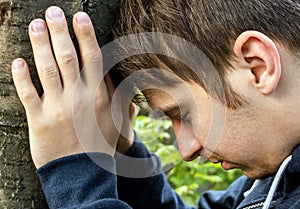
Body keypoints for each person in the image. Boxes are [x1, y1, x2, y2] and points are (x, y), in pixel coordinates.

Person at [11, 0, 300, 208]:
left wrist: (75, 171)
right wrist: (125, 151)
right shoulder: (273, 179)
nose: (187, 150)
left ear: (257, 66)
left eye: (184, 114)